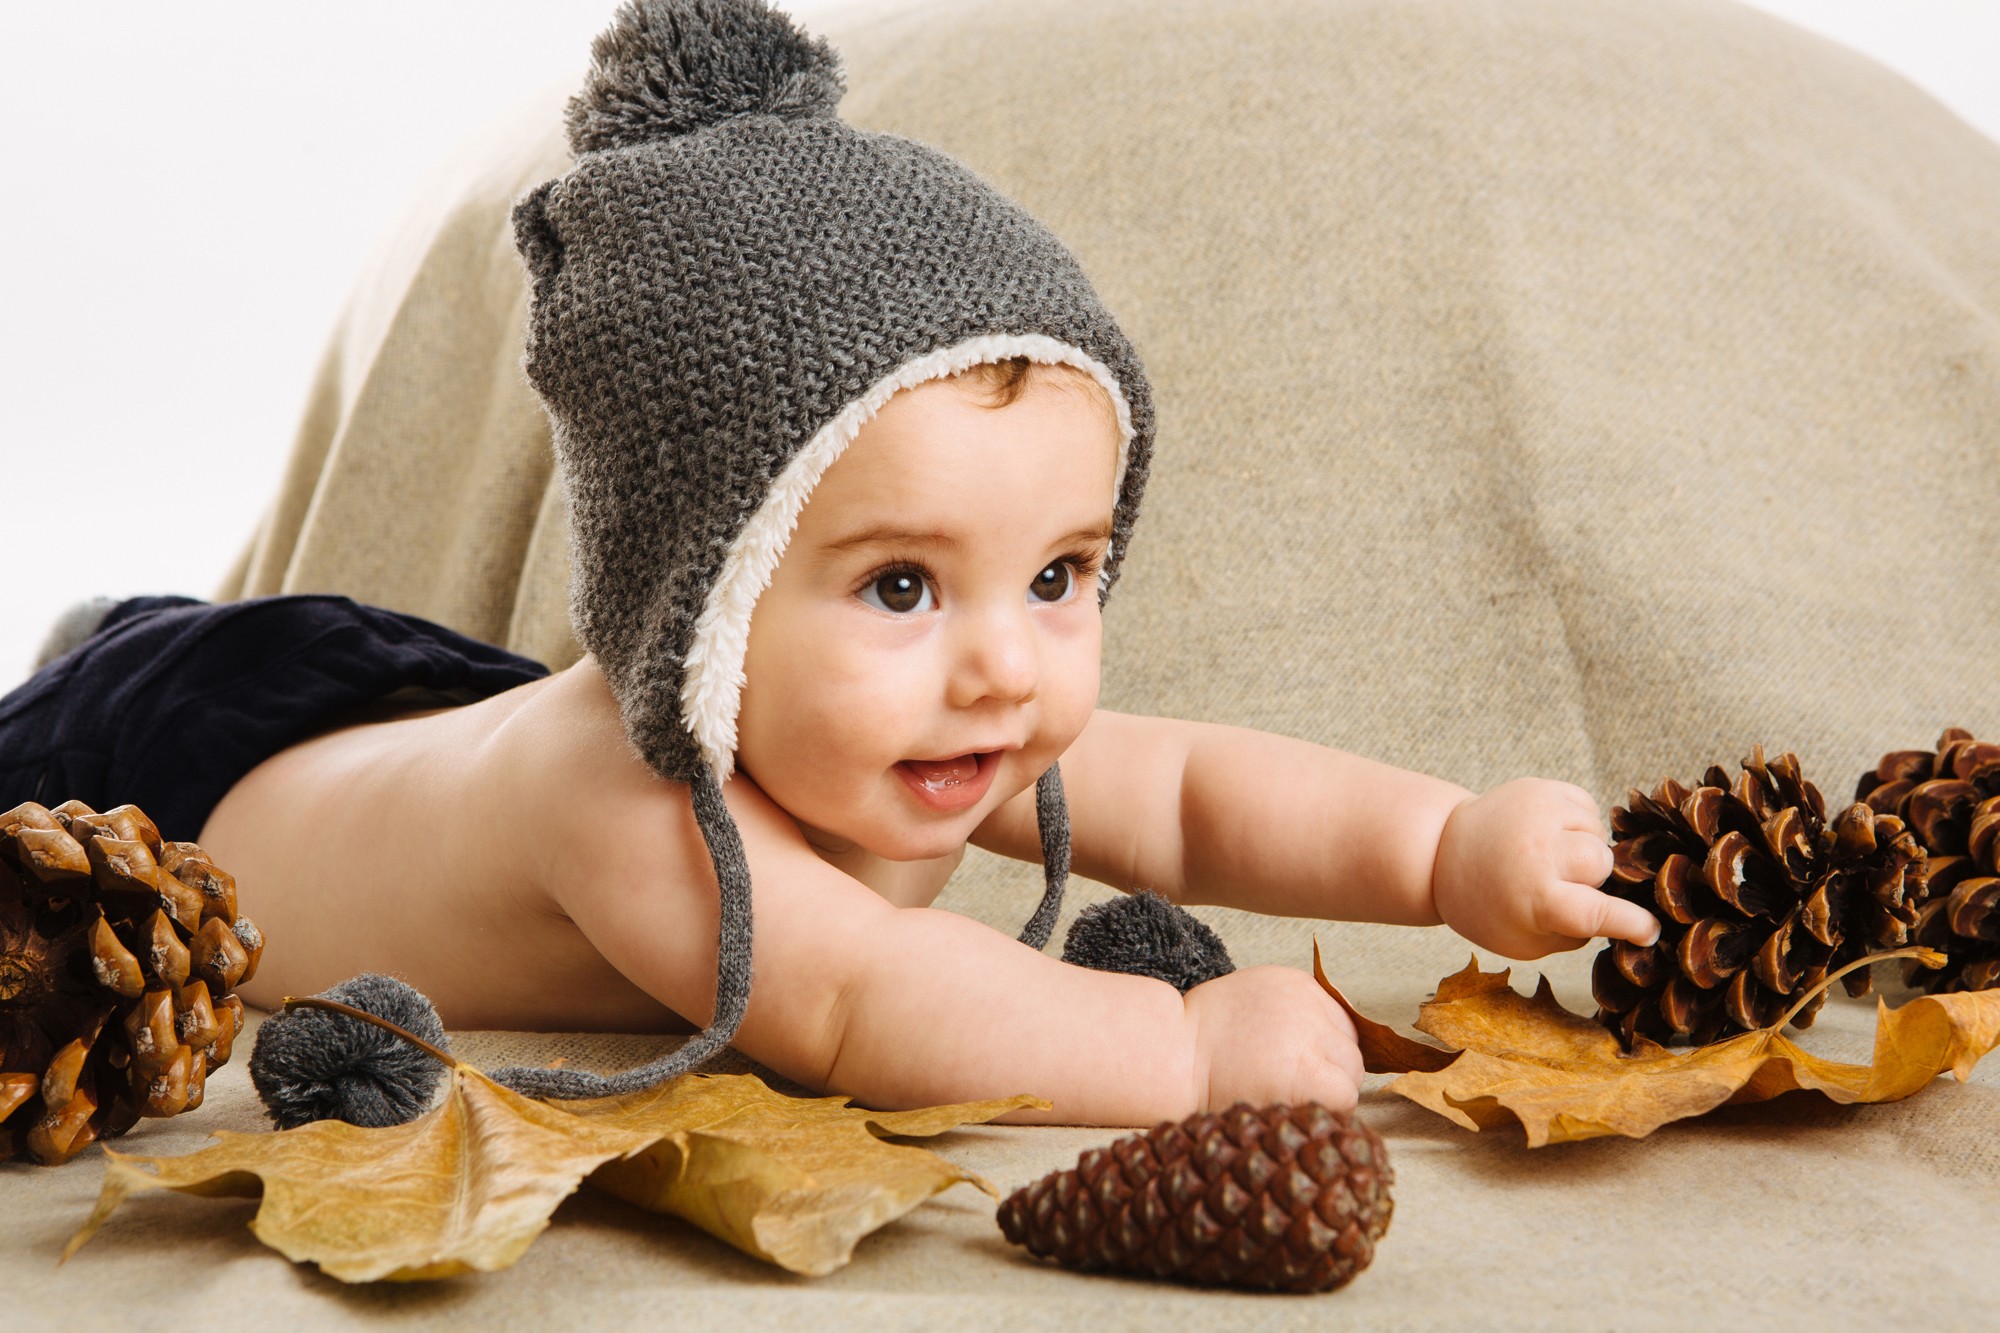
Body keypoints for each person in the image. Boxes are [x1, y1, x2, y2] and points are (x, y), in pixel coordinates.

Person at [1, 0, 1659, 1127]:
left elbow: (1198, 795)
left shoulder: (924, 718)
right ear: (705, 596)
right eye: (901, 586)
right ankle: (107, 640)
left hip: (425, 698)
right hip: (181, 782)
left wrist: (1445, 845)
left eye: (1062, 574)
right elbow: (858, 998)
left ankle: (136, 618)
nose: (1005, 665)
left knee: (391, 689)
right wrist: (1174, 1046)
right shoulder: (634, 810)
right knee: (96, 706)